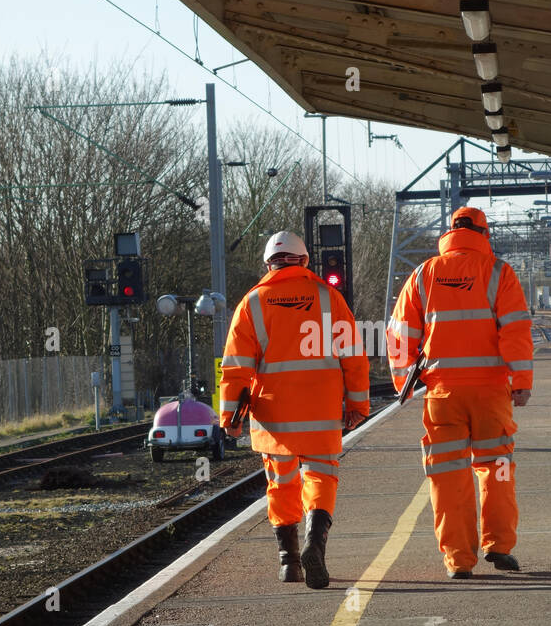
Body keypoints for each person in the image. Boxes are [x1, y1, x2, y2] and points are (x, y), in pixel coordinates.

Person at [386, 206, 533, 578]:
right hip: (490, 396)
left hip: (442, 397)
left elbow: (400, 332)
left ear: (449, 232)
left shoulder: (424, 275)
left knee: (449, 476)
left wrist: (405, 380)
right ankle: (499, 546)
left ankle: (458, 560)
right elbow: (514, 331)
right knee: (496, 468)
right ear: (484, 233)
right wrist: (521, 382)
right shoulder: (499, 273)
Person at [219, 231, 369, 589]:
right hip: (321, 410)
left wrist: (229, 417)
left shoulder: (252, 303)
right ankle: (314, 543)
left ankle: (288, 562)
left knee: (281, 482)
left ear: (268, 264)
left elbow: (236, 366)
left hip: (274, 415)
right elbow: (353, 355)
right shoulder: (329, 298)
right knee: (320, 475)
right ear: (304, 262)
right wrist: (357, 404)